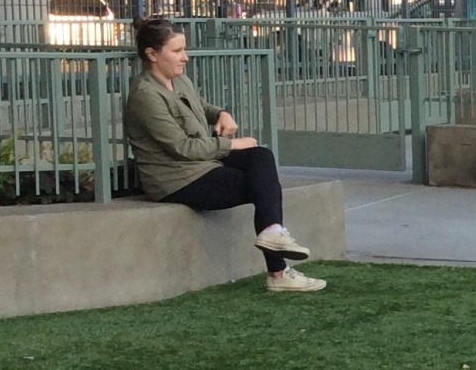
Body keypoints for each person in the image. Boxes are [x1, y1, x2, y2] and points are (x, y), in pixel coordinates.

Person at [124, 17, 327, 292]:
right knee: (262, 186)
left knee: (261, 156)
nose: (185, 58)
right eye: (176, 51)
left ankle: (273, 236)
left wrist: (220, 113)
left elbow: (200, 106)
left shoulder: (178, 80)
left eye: (184, 49)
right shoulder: (145, 95)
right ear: (152, 54)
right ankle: (278, 271)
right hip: (176, 179)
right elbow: (182, 148)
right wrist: (232, 145)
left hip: (203, 162)